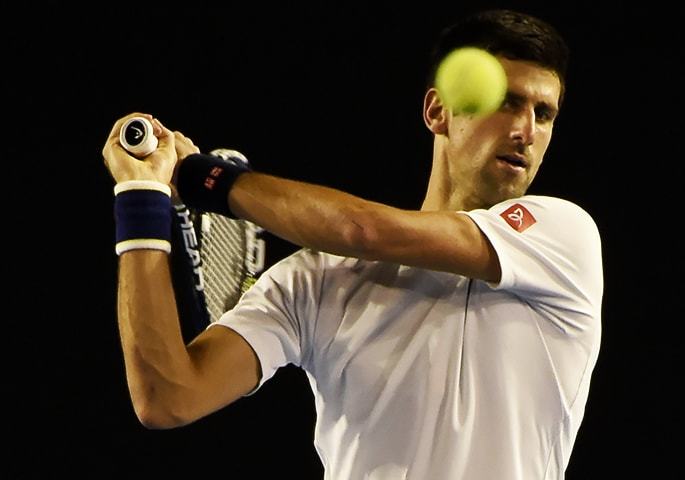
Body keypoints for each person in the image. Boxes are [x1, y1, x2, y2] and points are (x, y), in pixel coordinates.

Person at [102, 8, 603, 479]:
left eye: (544, 114)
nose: (525, 130)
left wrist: (205, 179)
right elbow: (167, 397)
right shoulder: (317, 279)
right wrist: (141, 197)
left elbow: (361, 230)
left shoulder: (560, 236)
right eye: (506, 102)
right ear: (438, 111)